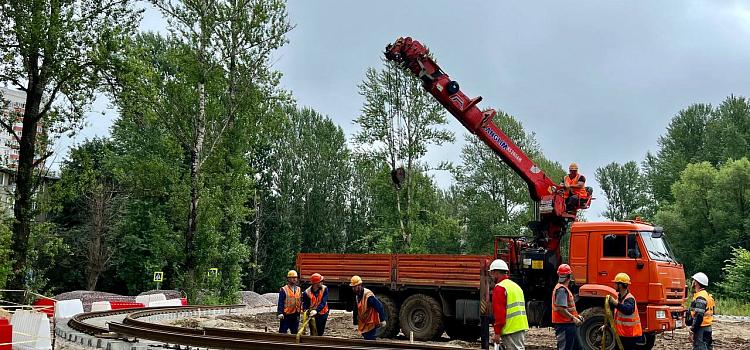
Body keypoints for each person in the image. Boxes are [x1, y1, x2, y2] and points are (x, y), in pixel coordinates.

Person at [489, 259, 528, 350]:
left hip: (510, 328)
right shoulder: (516, 287)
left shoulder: (500, 288)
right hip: (520, 326)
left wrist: (497, 333)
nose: (491, 276)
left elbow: (499, 313)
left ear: (497, 273)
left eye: (492, 273)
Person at [607, 273, 642, 350]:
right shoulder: (620, 298)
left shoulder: (629, 299)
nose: (614, 285)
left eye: (615, 283)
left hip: (630, 335)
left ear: (620, 285)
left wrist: (615, 303)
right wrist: (607, 325)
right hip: (622, 335)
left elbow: (628, 310)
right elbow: (617, 316)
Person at [552, 264, 583, 350]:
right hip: (564, 325)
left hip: (568, 324)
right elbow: (561, 309)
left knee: (577, 347)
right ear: (569, 276)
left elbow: (567, 308)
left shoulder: (563, 288)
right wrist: (574, 318)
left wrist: (577, 316)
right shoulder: (562, 290)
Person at [350, 275, 387, 340]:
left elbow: (379, 306)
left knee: (370, 339)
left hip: (371, 322)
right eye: (352, 287)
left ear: (359, 285)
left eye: (354, 287)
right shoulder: (357, 295)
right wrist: (355, 321)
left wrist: (382, 319)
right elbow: (356, 309)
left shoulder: (368, 296)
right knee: (366, 338)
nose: (353, 288)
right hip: (364, 323)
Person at [687, 272, 714, 350]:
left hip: (701, 328)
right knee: (708, 347)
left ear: (696, 282)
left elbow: (699, 315)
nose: (692, 282)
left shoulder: (700, 297)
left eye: (693, 280)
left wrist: (692, 329)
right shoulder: (707, 295)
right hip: (707, 327)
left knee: (699, 348)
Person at [277, 270, 301, 334]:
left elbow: (300, 301)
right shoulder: (284, 289)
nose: (294, 279)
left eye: (295, 277)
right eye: (293, 277)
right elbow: (281, 302)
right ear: (289, 279)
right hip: (286, 314)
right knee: (283, 331)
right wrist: (280, 312)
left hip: (295, 314)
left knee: (294, 332)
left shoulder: (298, 289)